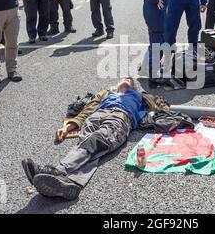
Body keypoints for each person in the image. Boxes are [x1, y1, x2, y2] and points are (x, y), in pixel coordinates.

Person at [21, 77, 169, 200]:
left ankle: (57, 171)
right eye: (125, 77)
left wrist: (161, 106)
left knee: (94, 143)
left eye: (131, 79)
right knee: (86, 146)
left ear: (135, 87)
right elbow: (87, 110)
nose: (128, 79)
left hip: (120, 116)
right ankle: (68, 184)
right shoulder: (106, 93)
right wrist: (68, 127)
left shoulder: (142, 96)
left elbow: (163, 108)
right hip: (96, 116)